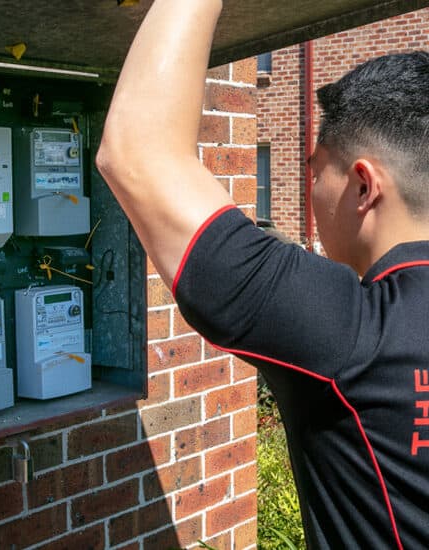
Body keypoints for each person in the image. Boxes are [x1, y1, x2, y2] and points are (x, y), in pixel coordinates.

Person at [95, 1, 429, 548]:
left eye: (316, 171)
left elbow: (136, 153)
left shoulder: (354, 333)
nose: (311, 191)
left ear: (364, 187)